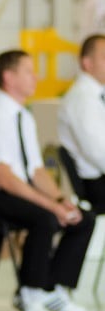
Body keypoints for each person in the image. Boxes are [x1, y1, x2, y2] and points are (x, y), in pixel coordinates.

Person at [0, 49, 95, 311]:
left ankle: (54, 287)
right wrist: (50, 206)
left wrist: (61, 200)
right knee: (44, 218)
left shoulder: (23, 116)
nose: (36, 76)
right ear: (8, 77)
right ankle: (30, 291)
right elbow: (4, 177)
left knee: (82, 217)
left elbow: (35, 170)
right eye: (28, 71)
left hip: (15, 191)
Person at [58, 34, 105, 210]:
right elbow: (97, 151)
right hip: (96, 183)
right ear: (87, 63)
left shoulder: (96, 94)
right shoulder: (82, 99)